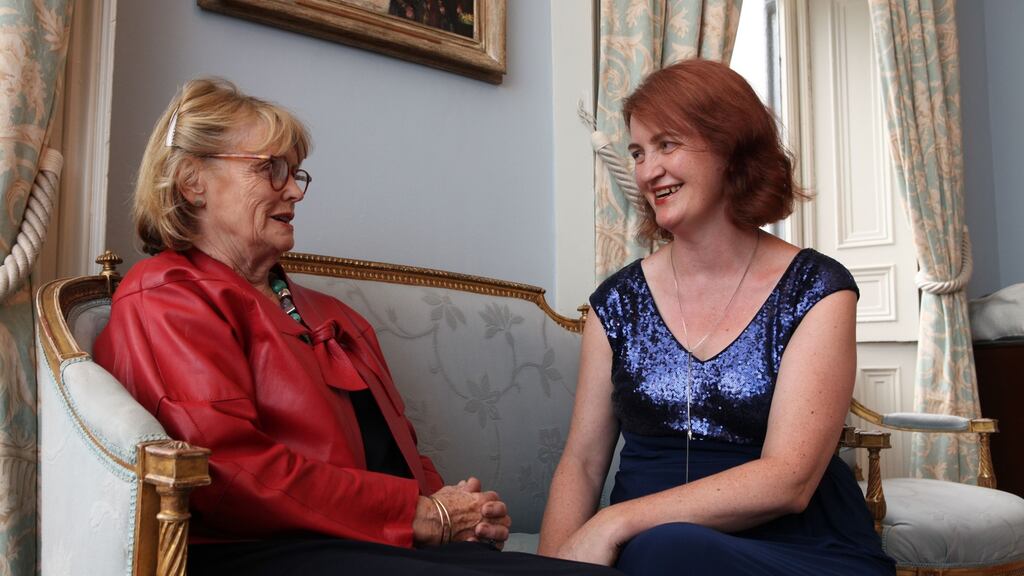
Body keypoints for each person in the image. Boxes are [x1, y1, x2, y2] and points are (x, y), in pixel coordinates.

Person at [94, 77, 623, 576]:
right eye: (271, 169)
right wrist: (421, 514)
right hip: (261, 552)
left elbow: (402, 454)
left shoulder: (334, 314)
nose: (295, 192)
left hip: (365, 543)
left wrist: (462, 512)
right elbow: (228, 468)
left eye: (295, 173)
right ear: (193, 182)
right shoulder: (167, 296)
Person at [536, 59, 896, 575]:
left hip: (797, 546)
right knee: (660, 550)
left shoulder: (816, 288)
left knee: (669, 549)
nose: (647, 171)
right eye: (638, 152)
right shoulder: (615, 302)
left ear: (730, 148)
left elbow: (790, 479)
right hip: (647, 551)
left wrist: (614, 522)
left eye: (667, 144)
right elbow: (583, 463)